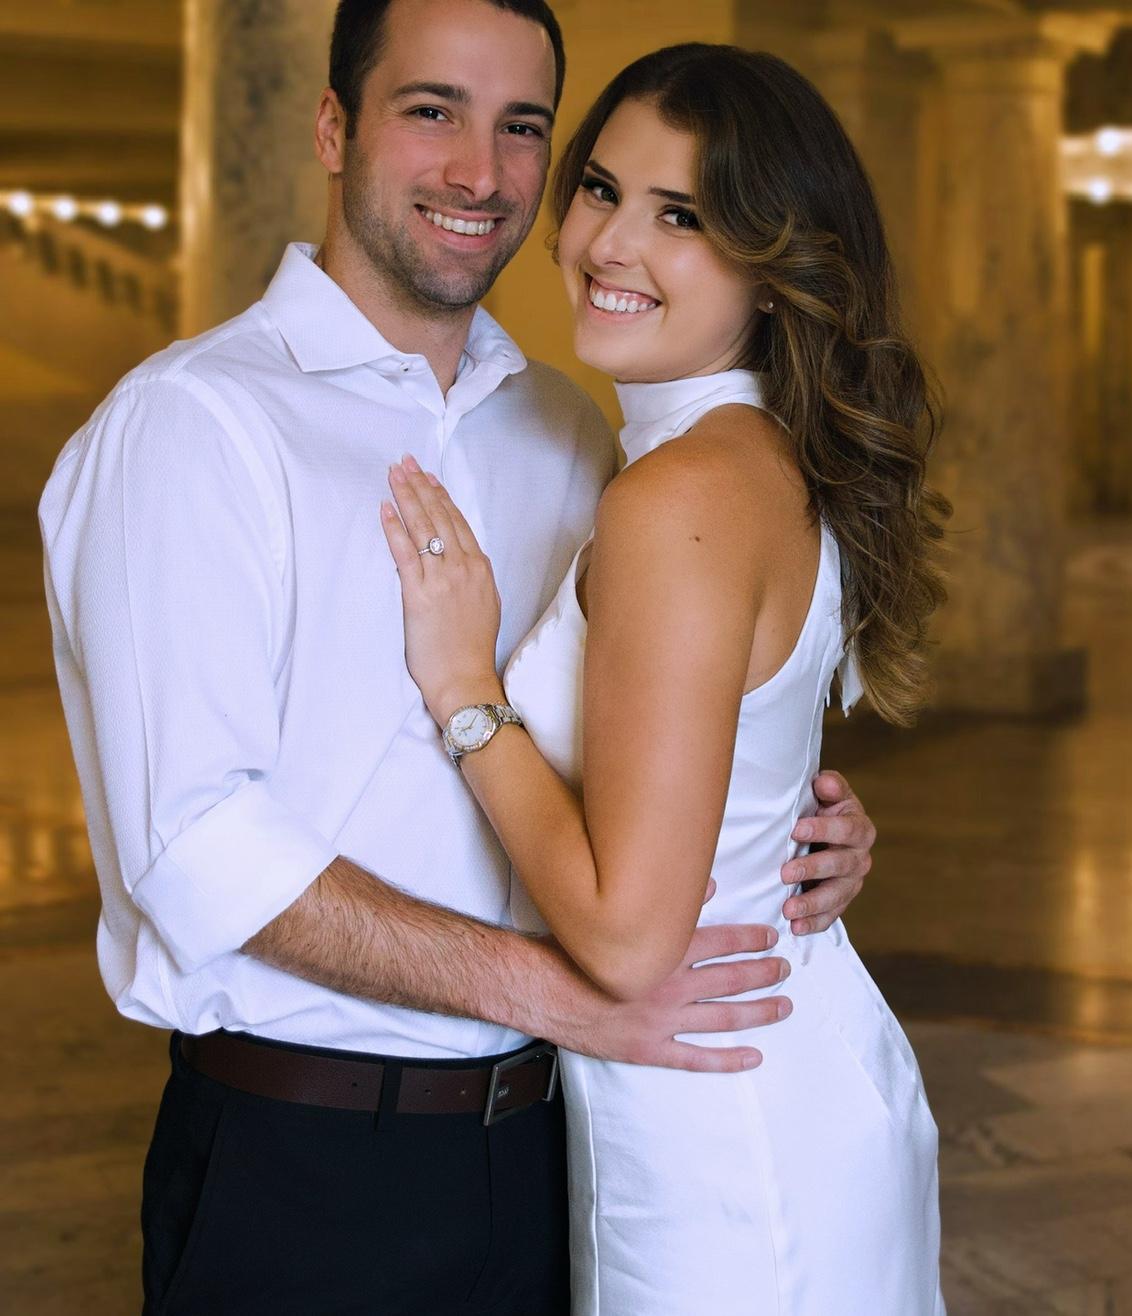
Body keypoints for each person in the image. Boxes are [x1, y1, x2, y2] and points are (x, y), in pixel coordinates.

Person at [38, 2, 878, 1313]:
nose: (480, 172)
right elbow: (194, 846)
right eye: (431, 110)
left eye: (522, 128)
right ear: (334, 126)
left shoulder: (572, 432)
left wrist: (787, 822)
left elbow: (643, 738)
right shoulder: (191, 427)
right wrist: (563, 996)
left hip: (565, 1144)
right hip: (310, 1164)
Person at [381, 41, 948, 1316]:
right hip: (781, 1066)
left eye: (681, 215)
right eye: (600, 189)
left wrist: (466, 693)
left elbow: (631, 938)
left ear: (773, 266)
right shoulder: (760, 458)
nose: (609, 243)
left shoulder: (677, 496)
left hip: (724, 1137)